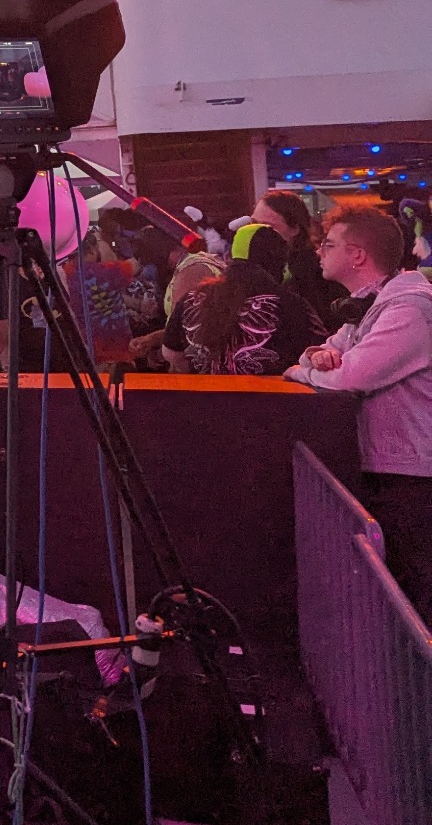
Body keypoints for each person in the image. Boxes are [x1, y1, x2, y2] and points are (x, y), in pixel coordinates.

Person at [286, 208, 432, 617]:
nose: (319, 252)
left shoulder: (408, 311)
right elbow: (322, 351)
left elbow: (353, 376)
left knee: (416, 594)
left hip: (415, 472)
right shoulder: (373, 306)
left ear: (357, 255)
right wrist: (316, 357)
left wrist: (300, 371)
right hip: (396, 464)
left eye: (328, 245)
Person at [160, 224, 323, 375]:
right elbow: (318, 352)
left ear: (232, 256)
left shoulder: (193, 298)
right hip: (271, 395)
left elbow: (170, 353)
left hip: (207, 395)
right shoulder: (292, 304)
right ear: (279, 262)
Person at [253, 190, 349, 327]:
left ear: (294, 229)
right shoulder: (252, 267)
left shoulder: (318, 271)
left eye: (267, 226)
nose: (255, 232)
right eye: (253, 224)